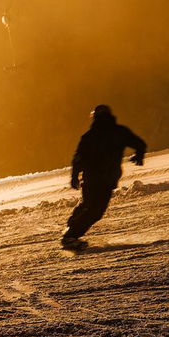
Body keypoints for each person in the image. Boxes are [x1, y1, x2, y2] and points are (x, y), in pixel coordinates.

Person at [61, 105, 147, 251]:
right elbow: (140, 144)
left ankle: (71, 228)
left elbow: (78, 158)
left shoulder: (89, 136)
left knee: (88, 205)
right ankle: (71, 234)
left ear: (94, 118)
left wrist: (75, 175)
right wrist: (139, 155)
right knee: (95, 210)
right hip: (106, 179)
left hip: (93, 179)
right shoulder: (119, 132)